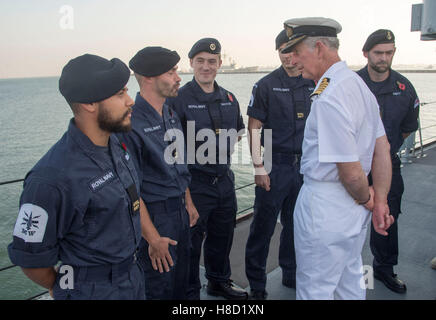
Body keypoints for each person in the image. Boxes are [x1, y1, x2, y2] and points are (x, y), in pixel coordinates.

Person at [7, 54, 145, 300]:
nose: (130, 101)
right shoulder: (51, 178)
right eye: (119, 94)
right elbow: (31, 259)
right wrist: (70, 288)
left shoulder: (115, 145)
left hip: (132, 277)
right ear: (90, 103)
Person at [282, 17, 394, 300]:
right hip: (352, 211)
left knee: (315, 288)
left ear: (319, 47)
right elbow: (382, 147)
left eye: (297, 51)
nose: (292, 59)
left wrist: (366, 198)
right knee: (350, 283)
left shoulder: (329, 95)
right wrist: (379, 200)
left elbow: (352, 174)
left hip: (327, 206)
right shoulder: (358, 85)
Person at [168, 38, 247, 300]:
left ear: (219, 64)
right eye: (200, 61)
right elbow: (169, 148)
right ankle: (189, 293)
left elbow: (237, 133)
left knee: (222, 237)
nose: (206, 66)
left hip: (224, 179)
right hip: (195, 184)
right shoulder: (178, 100)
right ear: (190, 63)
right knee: (190, 243)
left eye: (211, 61)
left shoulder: (229, 98)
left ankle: (218, 282)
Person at [119, 46, 198, 300]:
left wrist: (188, 201)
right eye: (171, 72)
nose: (178, 78)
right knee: (158, 286)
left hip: (180, 212)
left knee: (182, 281)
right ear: (149, 77)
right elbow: (130, 189)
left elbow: (178, 163)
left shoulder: (170, 113)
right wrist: (152, 238)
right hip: (155, 216)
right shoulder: (130, 124)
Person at [244, 29, 315, 300]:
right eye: (283, 51)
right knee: (262, 227)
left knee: (297, 224)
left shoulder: (316, 82)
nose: (289, 57)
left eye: (293, 51)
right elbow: (254, 128)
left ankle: (290, 272)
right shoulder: (265, 85)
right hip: (275, 165)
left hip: (306, 166)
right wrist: (258, 166)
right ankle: (257, 286)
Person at [357, 29, 420, 294]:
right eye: (378, 53)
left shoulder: (404, 88)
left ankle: (384, 269)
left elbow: (407, 128)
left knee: (387, 217)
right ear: (366, 53)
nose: (384, 58)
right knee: (344, 220)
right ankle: (341, 271)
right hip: (354, 166)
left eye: (389, 52)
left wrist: (384, 151)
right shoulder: (351, 84)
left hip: (388, 165)